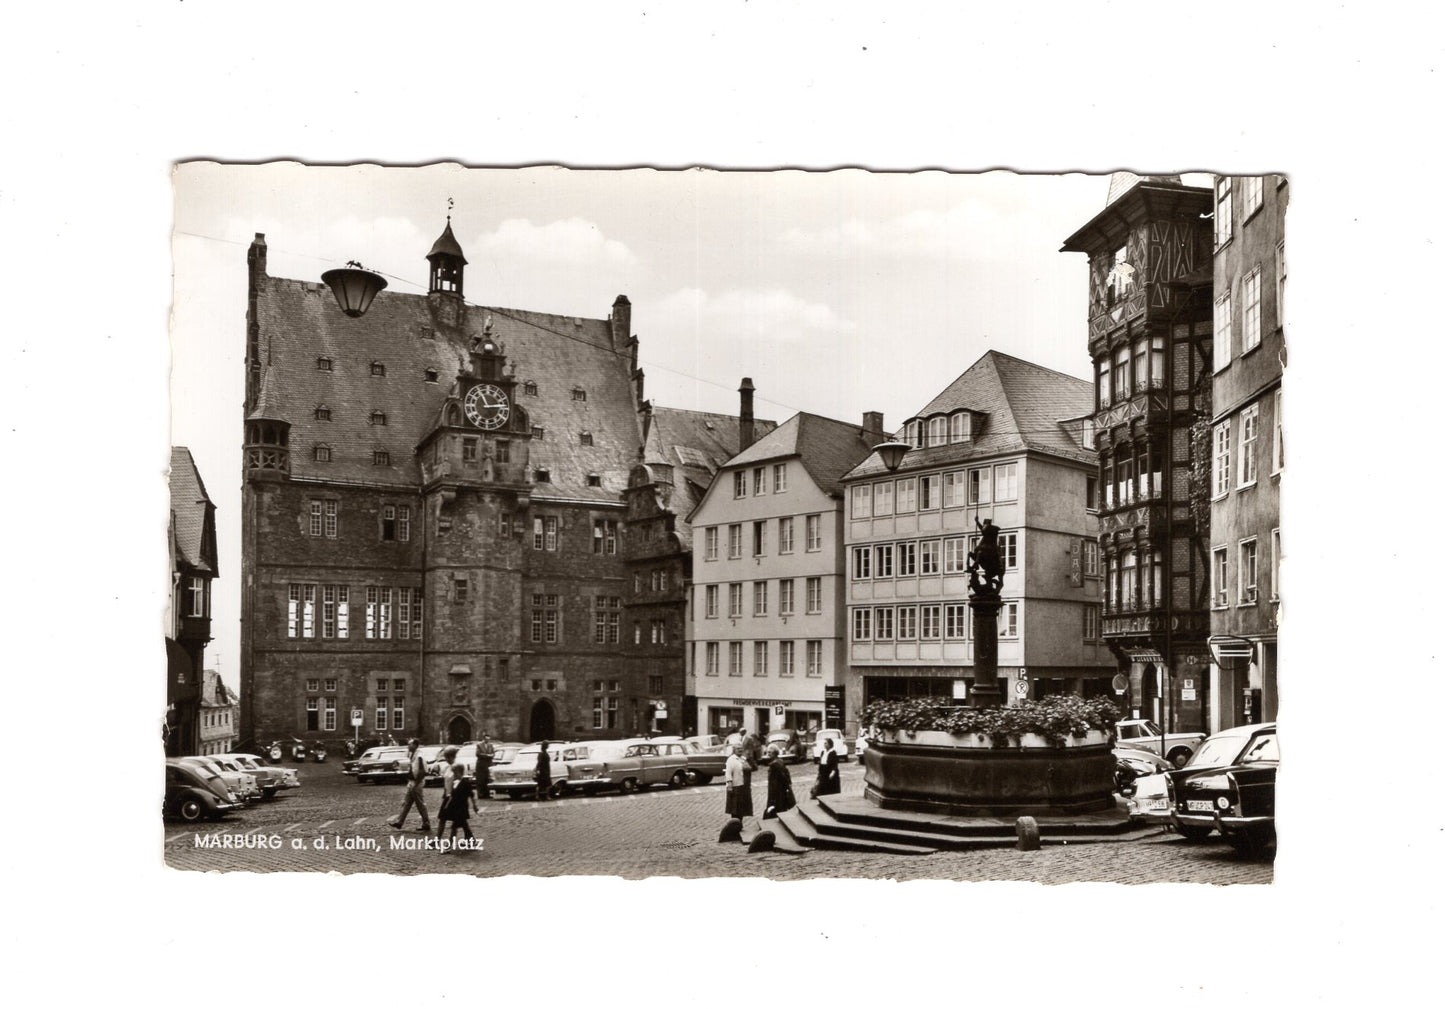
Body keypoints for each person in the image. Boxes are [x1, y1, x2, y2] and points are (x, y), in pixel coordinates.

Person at [388, 739, 432, 832]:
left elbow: (422, 771)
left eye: (410, 744)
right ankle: (399, 822)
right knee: (407, 803)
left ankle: (426, 823)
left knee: (420, 804)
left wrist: (416, 783)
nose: (408, 746)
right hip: (412, 782)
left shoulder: (419, 756)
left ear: (415, 745)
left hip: (416, 783)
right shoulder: (413, 754)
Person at [438, 763, 479, 851]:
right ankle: (472, 841)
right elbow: (452, 796)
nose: (454, 775)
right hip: (457, 809)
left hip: (461, 809)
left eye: (455, 773)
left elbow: (471, 795)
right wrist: (447, 805)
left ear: (460, 773)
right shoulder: (455, 784)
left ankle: (449, 846)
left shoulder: (465, 784)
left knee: (455, 827)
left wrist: (475, 806)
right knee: (464, 827)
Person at [434, 745, 459, 833]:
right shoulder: (447, 767)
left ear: (451, 756)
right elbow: (446, 782)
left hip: (454, 798)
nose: (446, 759)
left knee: (455, 820)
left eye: (447, 757)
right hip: (447, 796)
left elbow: (458, 783)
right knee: (443, 818)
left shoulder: (456, 767)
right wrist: (445, 794)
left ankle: (450, 840)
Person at [764, 752, 795, 819]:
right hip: (780, 788)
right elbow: (786, 774)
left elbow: (782, 776)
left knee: (776, 804)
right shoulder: (780, 761)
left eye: (770, 752)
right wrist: (788, 784)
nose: (768, 754)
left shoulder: (774, 764)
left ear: (774, 753)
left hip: (776, 788)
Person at [724, 745, 753, 818]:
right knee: (735, 807)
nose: (740, 750)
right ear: (734, 750)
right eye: (738, 748)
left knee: (741, 806)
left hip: (743, 785)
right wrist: (730, 784)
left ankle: (740, 822)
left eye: (741, 748)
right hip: (735, 785)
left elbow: (752, 768)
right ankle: (735, 822)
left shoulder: (743, 759)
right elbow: (728, 772)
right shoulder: (731, 759)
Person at [474, 733, 496, 800]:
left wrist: (491, 755)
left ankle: (487, 794)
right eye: (486, 739)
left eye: (488, 739)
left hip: (488, 764)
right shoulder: (479, 745)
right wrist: (486, 755)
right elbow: (478, 754)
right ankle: (480, 794)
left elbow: (493, 753)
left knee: (487, 779)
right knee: (481, 780)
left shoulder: (490, 745)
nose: (487, 740)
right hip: (481, 764)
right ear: (483, 739)